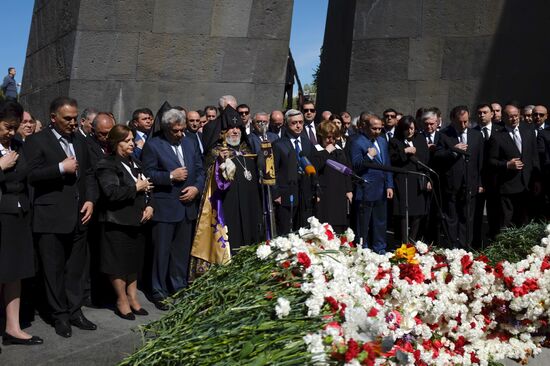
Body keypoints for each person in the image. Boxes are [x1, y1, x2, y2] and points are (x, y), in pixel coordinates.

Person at [24, 97, 98, 338]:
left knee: (76, 269)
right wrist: (59, 169)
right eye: (67, 119)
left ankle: (75, 311)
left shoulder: (80, 140)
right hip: (50, 217)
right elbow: (31, 175)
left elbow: (88, 173)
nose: (73, 123)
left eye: (75, 118)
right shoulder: (37, 141)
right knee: (53, 269)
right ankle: (60, 316)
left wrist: (89, 200)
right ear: (53, 117)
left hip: (79, 216)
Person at [142, 109, 205, 309]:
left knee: (181, 251)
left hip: (187, 207)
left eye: (182, 130)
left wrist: (196, 188)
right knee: (161, 251)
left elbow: (200, 169)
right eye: (176, 131)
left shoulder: (190, 141)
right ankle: (158, 290)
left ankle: (178, 286)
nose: (180, 134)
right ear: (167, 128)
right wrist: (170, 176)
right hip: (165, 207)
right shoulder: (154, 145)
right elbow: (147, 173)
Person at [191, 107, 261, 270]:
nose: (235, 131)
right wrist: (219, 164)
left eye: (237, 128)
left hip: (247, 204)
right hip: (225, 206)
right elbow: (210, 178)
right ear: (222, 132)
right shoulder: (216, 152)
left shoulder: (247, 150)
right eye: (230, 128)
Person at [95, 125, 154, 320]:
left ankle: (133, 297)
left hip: (137, 222)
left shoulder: (135, 162)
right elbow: (111, 192)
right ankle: (121, 299)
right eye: (127, 140)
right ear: (116, 142)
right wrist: (135, 187)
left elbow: (148, 187)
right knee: (118, 264)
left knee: (133, 262)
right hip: (117, 222)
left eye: (132, 140)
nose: (132, 143)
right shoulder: (107, 164)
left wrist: (150, 206)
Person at [0, 101, 43, 347]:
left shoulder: (18, 144)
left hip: (19, 216)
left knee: (14, 272)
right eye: (7, 127)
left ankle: (13, 327)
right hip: (1, 216)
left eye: (14, 128)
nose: (11, 132)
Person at [434, 106, 484, 249]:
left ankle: (465, 247)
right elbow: (437, 155)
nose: (463, 125)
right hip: (451, 183)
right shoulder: (444, 135)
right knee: (451, 217)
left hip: (470, 183)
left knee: (467, 218)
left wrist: (480, 183)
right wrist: (453, 151)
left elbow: (480, 161)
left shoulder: (476, 135)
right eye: (460, 122)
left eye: (466, 122)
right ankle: (452, 247)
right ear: (452, 120)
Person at [488, 103, 541, 232]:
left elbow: (534, 158)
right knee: (506, 223)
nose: (514, 119)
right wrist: (507, 164)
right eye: (511, 117)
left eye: (516, 116)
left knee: (523, 222)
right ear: (504, 118)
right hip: (507, 187)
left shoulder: (528, 132)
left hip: (526, 185)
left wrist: (537, 180)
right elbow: (490, 161)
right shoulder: (497, 136)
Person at [349, 112, 394, 253]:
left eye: (380, 128)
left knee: (380, 222)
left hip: (381, 188)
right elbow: (355, 166)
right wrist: (369, 156)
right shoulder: (357, 142)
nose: (377, 131)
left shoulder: (382, 141)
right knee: (364, 222)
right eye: (374, 128)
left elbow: (387, 164)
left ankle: (380, 249)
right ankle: (363, 249)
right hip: (366, 188)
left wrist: (389, 185)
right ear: (365, 127)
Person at [272, 109, 316, 235]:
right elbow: (273, 170)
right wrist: (276, 194)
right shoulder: (278, 145)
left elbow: (312, 167)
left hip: (304, 193)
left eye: (301, 122)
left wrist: (314, 191)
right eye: (294, 123)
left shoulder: (307, 143)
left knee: (303, 231)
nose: (298, 126)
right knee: (286, 231)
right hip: (285, 194)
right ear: (286, 124)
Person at [388, 116, 431, 243]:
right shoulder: (395, 141)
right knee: (403, 213)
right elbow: (392, 159)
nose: (410, 131)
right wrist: (405, 151)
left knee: (417, 213)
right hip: (403, 181)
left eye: (412, 128)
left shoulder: (420, 140)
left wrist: (428, 178)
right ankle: (403, 241)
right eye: (406, 129)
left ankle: (412, 240)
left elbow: (426, 160)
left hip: (418, 179)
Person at [312, 121, 353, 233]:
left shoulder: (339, 151)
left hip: (339, 192)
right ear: (321, 137)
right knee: (326, 225)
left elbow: (346, 170)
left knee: (339, 226)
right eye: (328, 137)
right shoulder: (316, 150)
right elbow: (315, 167)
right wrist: (326, 152)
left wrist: (349, 190)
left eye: (334, 138)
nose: (331, 141)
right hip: (325, 194)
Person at [473, 103, 501, 243]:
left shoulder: (500, 131)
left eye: (485, 112)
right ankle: (476, 243)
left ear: (492, 114)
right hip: (478, 180)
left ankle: (494, 241)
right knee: (476, 214)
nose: (482, 115)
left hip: (496, 180)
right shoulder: (472, 132)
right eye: (479, 113)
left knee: (495, 213)